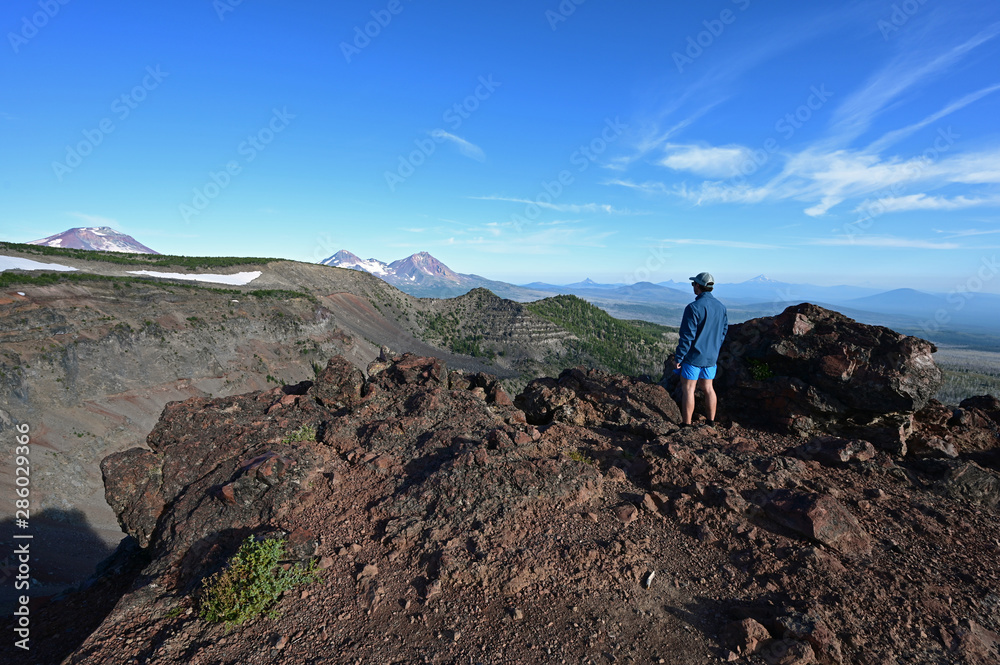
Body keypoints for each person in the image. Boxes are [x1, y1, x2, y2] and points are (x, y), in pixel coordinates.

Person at [674, 272, 728, 427]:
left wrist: (679, 357)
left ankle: (686, 424)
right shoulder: (721, 307)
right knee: (709, 388)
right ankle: (711, 422)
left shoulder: (693, 308)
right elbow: (723, 332)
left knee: (689, 389)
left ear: (698, 285)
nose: (693, 287)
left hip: (693, 357)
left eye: (693, 284)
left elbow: (687, 337)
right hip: (711, 357)